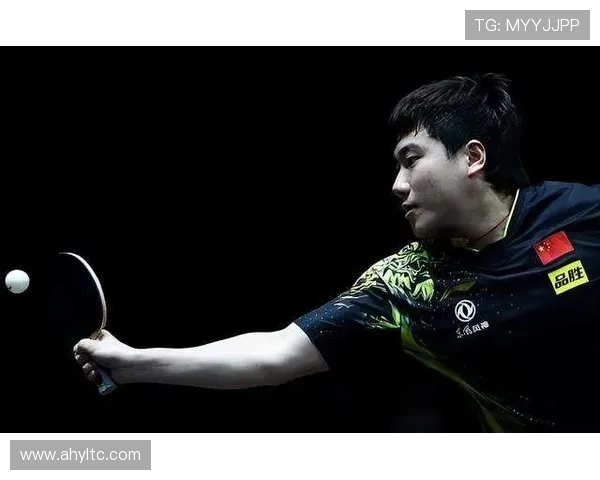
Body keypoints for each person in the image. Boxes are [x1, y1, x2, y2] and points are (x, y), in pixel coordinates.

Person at [73, 73, 600, 438]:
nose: (397, 185)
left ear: (473, 157)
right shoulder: (405, 283)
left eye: (411, 160)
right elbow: (275, 355)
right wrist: (135, 364)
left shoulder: (580, 213)